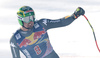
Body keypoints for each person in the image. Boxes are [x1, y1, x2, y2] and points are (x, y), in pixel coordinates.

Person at [10, 6, 85, 58]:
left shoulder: (42, 24)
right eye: (27, 19)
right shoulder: (14, 40)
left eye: (32, 18)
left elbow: (61, 22)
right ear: (20, 20)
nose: (30, 21)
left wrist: (75, 15)